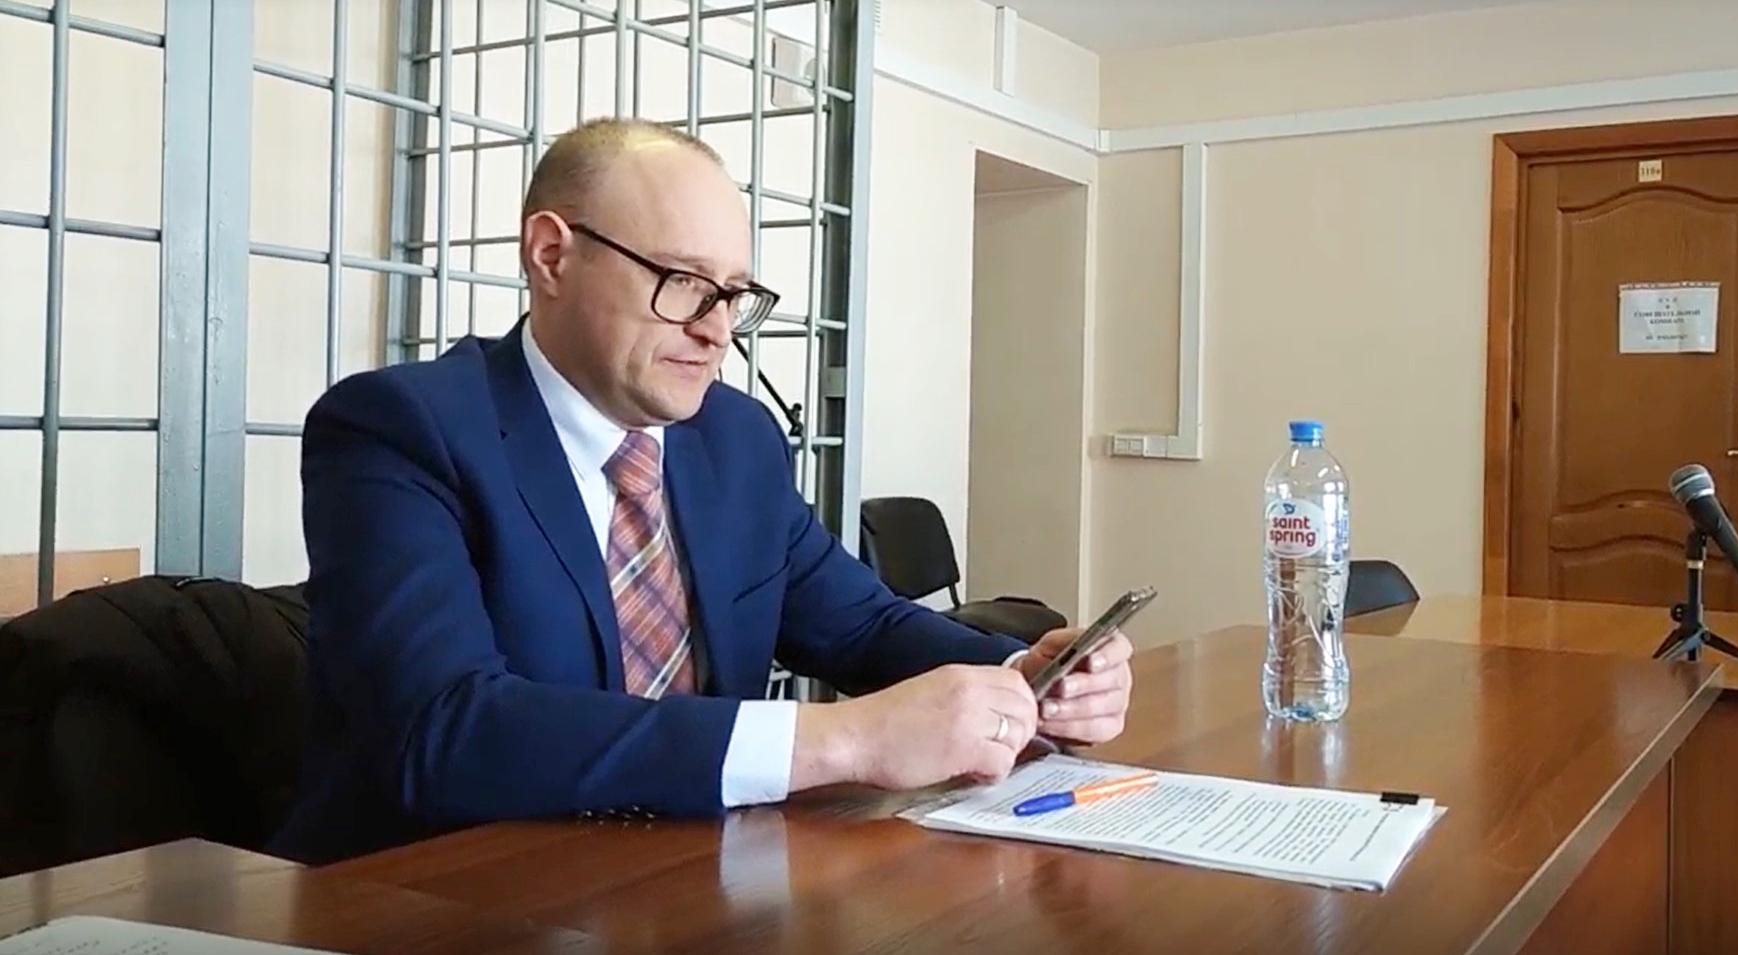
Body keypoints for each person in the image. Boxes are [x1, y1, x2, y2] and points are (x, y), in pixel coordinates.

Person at [269, 118, 1135, 864]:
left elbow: (860, 623)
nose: (715, 329)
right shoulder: (399, 427)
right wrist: (848, 738)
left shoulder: (736, 438)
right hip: (435, 891)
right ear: (551, 255)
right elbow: (441, 732)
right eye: (682, 281)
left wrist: (1020, 676)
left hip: (691, 876)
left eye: (732, 294)